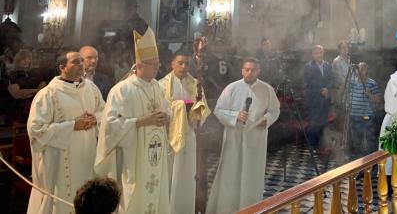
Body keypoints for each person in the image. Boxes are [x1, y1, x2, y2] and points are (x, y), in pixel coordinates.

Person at [95, 27, 171, 214]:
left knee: (155, 191)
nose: (157, 68)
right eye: (153, 64)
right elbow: (110, 125)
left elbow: (166, 109)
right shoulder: (122, 90)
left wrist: (166, 117)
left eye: (158, 63)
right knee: (133, 196)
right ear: (139, 66)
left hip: (155, 152)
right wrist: (140, 122)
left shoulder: (157, 88)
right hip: (133, 155)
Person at [26, 50, 104, 214]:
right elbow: (36, 130)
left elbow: (104, 112)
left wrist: (95, 119)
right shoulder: (48, 94)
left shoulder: (91, 89)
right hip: (60, 163)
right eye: (76, 62)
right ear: (62, 67)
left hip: (87, 156)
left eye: (82, 61)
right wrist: (72, 126)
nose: (81, 65)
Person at [206, 58, 280, 214]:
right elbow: (218, 110)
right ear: (242, 70)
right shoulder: (232, 88)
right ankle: (227, 209)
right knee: (231, 173)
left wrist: (266, 120)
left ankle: (250, 209)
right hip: (234, 138)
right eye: (247, 69)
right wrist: (235, 116)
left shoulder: (266, 89)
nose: (250, 72)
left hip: (256, 139)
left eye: (253, 69)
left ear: (258, 71)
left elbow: (275, 110)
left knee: (251, 175)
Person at [159, 50, 210, 214]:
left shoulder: (196, 84)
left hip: (189, 133)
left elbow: (203, 110)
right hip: (169, 136)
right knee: (170, 173)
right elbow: (160, 109)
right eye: (179, 63)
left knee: (188, 174)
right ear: (172, 63)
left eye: (187, 63)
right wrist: (182, 106)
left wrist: (195, 112)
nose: (183, 66)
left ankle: (185, 208)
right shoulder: (161, 84)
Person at [347, 62, 381, 156]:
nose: (360, 71)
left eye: (363, 69)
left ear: (367, 71)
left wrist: (370, 94)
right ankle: (360, 161)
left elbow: (378, 100)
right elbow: (347, 96)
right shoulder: (351, 82)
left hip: (367, 117)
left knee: (370, 140)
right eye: (358, 69)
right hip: (354, 115)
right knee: (356, 140)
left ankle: (372, 162)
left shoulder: (372, 83)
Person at [303, 45, 333, 149]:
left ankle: (322, 145)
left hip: (325, 99)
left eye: (320, 52)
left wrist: (328, 89)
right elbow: (307, 83)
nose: (319, 55)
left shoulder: (328, 65)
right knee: (313, 124)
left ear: (323, 53)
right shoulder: (308, 66)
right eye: (316, 53)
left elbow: (331, 80)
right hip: (314, 100)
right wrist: (321, 90)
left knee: (324, 123)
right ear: (313, 55)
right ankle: (312, 146)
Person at [9, 49, 46, 123]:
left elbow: (44, 89)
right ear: (18, 61)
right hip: (21, 108)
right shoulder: (13, 75)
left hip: (38, 106)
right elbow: (17, 94)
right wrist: (36, 91)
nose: (26, 61)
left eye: (28, 58)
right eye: (23, 59)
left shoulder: (35, 73)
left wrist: (26, 92)